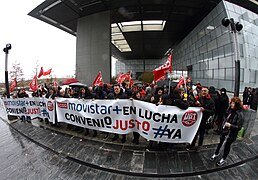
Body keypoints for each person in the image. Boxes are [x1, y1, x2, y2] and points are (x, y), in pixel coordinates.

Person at [210, 97, 244, 166]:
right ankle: (216, 153)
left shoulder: (240, 114)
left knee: (227, 146)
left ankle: (223, 158)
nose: (231, 104)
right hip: (224, 130)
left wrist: (230, 126)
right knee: (220, 143)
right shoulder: (229, 110)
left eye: (233, 103)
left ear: (237, 104)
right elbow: (225, 118)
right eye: (231, 102)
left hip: (231, 134)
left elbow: (239, 127)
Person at [191, 87, 215, 152]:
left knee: (201, 134)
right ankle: (192, 144)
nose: (203, 92)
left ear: (208, 92)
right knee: (194, 133)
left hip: (204, 120)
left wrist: (204, 110)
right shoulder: (198, 98)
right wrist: (195, 104)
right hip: (196, 120)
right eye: (202, 91)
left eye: (205, 91)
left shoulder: (211, 101)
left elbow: (212, 111)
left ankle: (199, 146)